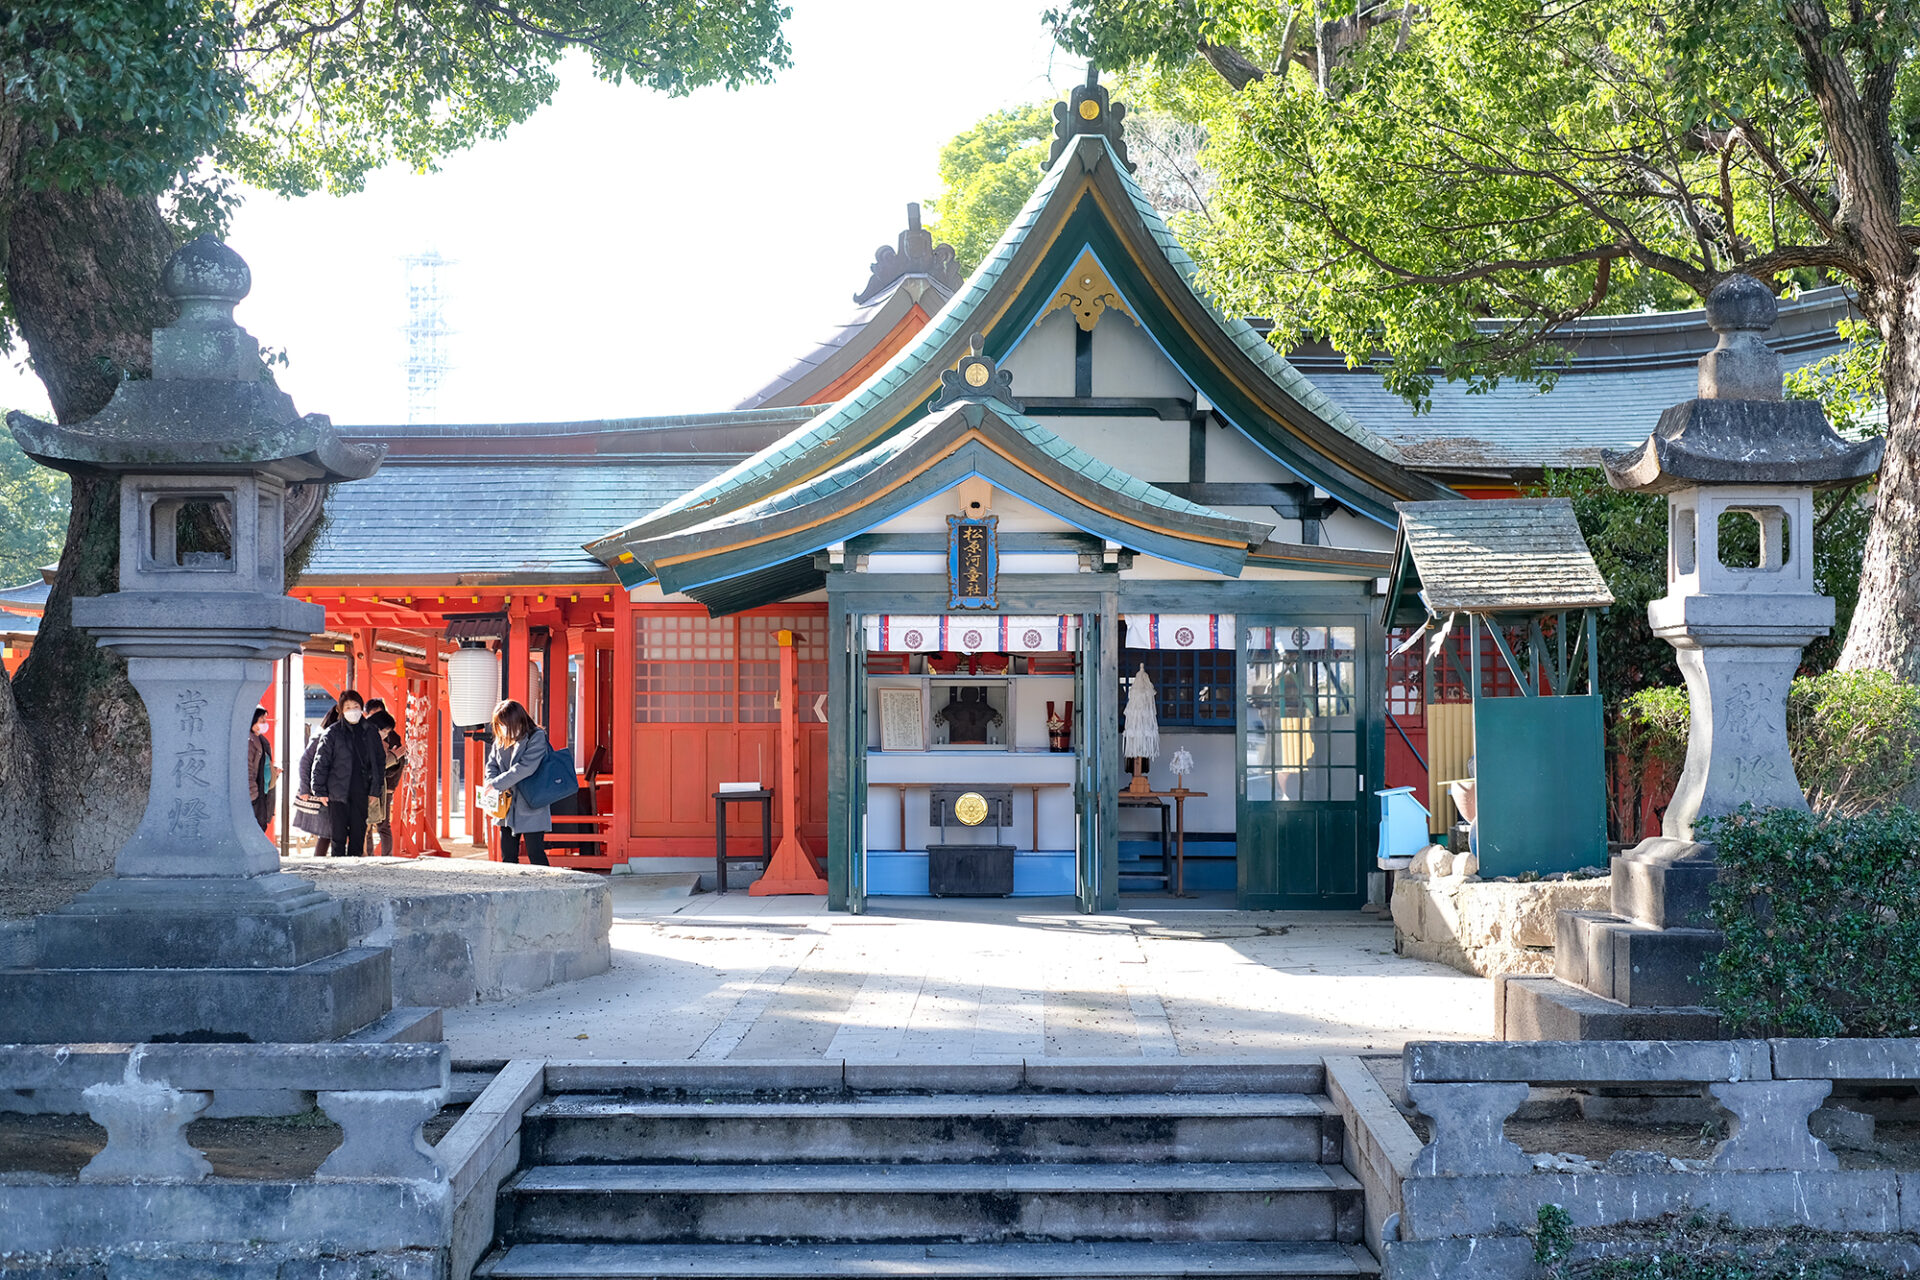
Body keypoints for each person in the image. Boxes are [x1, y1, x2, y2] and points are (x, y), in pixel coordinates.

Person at [310, 688, 381, 858]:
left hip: (361, 790)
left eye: (355, 706)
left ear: (361, 707)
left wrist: (375, 790)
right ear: (341, 710)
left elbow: (379, 762)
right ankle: (338, 867)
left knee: (358, 831)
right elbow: (321, 761)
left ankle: (355, 868)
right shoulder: (332, 732)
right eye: (348, 707)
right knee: (338, 835)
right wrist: (319, 790)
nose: (352, 710)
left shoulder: (370, 731)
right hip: (337, 792)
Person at [483, 699, 553, 866]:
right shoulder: (501, 738)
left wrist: (496, 784)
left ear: (516, 721)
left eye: (504, 724)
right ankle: (510, 889)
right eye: (498, 724)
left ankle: (546, 886)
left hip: (530, 802)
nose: (501, 728)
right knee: (508, 854)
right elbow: (491, 764)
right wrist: (490, 782)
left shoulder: (536, 736)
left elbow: (525, 768)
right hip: (506, 805)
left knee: (535, 853)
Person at [293, 707, 337, 856]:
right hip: (324, 791)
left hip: (331, 790)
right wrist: (305, 788)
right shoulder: (322, 737)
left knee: (327, 834)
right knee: (327, 833)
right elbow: (305, 762)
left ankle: (322, 862)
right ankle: (321, 863)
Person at [364, 699, 405, 857]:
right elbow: (376, 764)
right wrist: (394, 756)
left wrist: (389, 785)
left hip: (385, 786)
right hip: (372, 787)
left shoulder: (392, 736)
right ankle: (366, 855)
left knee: (382, 824)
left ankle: (385, 856)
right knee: (366, 824)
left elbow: (396, 765)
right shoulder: (366, 737)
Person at [246, 706, 279, 832]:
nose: (265, 724)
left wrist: (273, 772)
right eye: (262, 720)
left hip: (262, 794)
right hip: (255, 797)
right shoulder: (249, 742)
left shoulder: (260, 740)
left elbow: (262, 766)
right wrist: (253, 794)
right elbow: (247, 770)